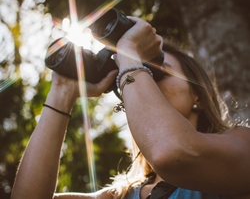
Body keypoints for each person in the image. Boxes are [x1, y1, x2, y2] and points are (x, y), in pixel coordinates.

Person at [11, 16, 250, 199]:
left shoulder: (242, 143)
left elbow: (172, 152)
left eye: (156, 71)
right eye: (138, 73)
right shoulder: (122, 195)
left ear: (197, 93)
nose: (147, 81)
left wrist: (129, 55)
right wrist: (63, 90)